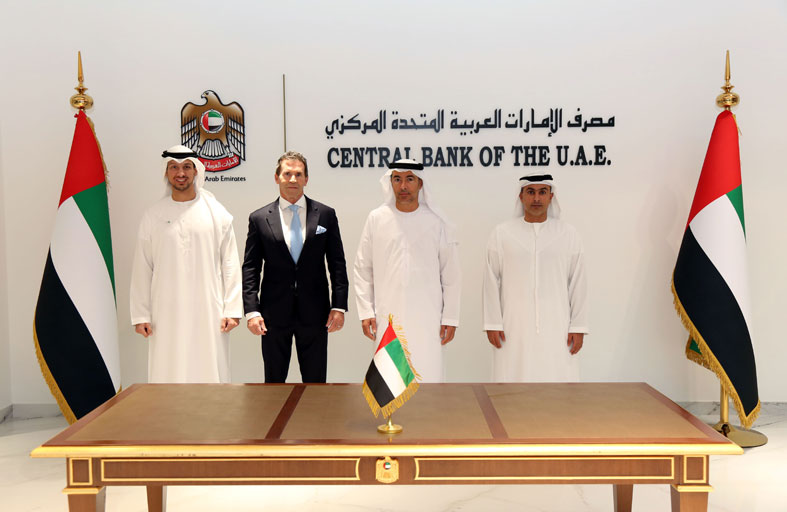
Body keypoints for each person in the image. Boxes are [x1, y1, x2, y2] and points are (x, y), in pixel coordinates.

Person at [130, 145, 243, 383]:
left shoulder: (216, 213)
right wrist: (141, 314)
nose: (180, 173)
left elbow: (230, 263)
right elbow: (143, 266)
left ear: (196, 171)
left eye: (186, 167)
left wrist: (232, 310)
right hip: (165, 311)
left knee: (209, 369)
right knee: (168, 368)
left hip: (209, 310)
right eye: (174, 167)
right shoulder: (153, 215)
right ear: (166, 172)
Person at [241, 151, 348, 383]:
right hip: (273, 315)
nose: (293, 179)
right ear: (277, 177)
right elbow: (250, 268)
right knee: (273, 383)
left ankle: (315, 411)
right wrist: (252, 311)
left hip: (316, 314)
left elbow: (337, 263)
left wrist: (339, 306)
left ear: (306, 179)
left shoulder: (326, 215)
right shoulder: (259, 218)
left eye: (298, 174)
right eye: (287, 174)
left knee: (315, 384)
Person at [354, 159, 461, 382]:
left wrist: (450, 317)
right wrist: (366, 312)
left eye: (409, 179)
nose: (403, 186)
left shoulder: (436, 222)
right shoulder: (377, 218)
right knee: (389, 379)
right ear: (390, 182)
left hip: (428, 317)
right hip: (387, 315)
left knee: (428, 372)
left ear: (420, 183)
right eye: (397, 179)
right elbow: (363, 268)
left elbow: (451, 274)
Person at [482, 173, 588, 382]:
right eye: (530, 192)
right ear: (521, 196)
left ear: (551, 196)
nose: (537, 198)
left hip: (558, 325)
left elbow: (579, 282)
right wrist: (493, 322)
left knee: (557, 380)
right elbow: (490, 280)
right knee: (512, 380)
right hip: (512, 326)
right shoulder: (502, 233)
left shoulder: (568, 234)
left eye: (542, 192)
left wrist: (578, 326)